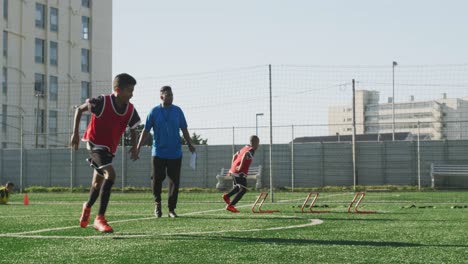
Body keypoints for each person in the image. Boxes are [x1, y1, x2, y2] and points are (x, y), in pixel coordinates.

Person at [70, 73, 141, 233]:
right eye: (129, 90)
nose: (131, 94)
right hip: (94, 144)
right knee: (111, 174)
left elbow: (134, 128)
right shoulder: (102, 102)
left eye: (132, 90)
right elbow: (79, 110)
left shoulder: (130, 109)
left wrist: (135, 146)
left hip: (109, 150)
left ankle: (87, 207)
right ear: (117, 90)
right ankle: (99, 218)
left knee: (97, 184)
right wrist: (75, 133)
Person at [137, 85, 195, 218]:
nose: (171, 97)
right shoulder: (154, 112)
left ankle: (171, 209)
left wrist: (190, 143)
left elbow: (184, 129)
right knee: (157, 179)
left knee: (175, 181)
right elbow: (145, 131)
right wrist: (138, 147)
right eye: (168, 95)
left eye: (172, 95)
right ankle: (157, 204)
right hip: (158, 152)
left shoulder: (178, 111)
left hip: (175, 153)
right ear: (161, 96)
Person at [223, 135, 260, 213]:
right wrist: (240, 167)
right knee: (243, 189)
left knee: (238, 187)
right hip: (239, 172)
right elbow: (246, 154)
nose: (258, 145)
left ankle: (227, 196)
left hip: (234, 171)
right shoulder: (251, 150)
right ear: (255, 142)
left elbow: (235, 155)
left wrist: (232, 167)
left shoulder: (245, 147)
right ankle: (231, 205)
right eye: (258, 143)